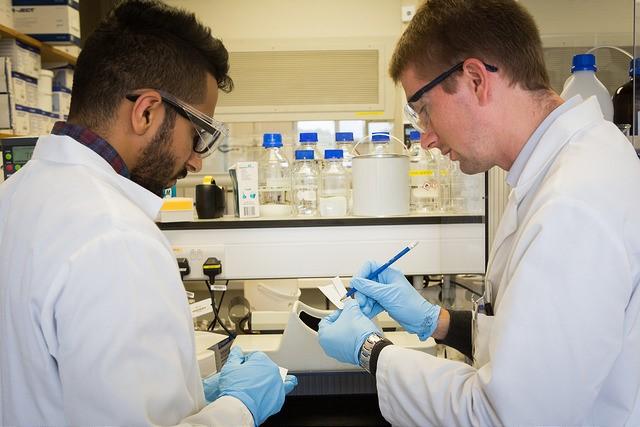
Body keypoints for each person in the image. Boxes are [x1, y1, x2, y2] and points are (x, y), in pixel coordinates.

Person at [318, 0, 640, 425]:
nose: (426, 138)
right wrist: (438, 322)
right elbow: (529, 350)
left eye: (423, 110)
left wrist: (370, 351)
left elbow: (505, 416)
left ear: (475, 79)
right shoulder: (561, 168)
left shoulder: (573, 205)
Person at [0, 1, 295, 425]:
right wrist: (239, 408)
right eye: (197, 134)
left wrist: (192, 390)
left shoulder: (15, 194)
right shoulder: (117, 238)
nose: (196, 161)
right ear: (146, 112)